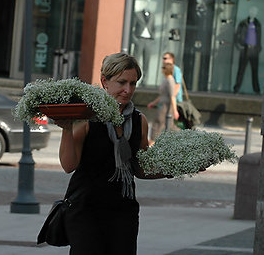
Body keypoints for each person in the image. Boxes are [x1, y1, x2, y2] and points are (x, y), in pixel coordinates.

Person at [55, 53, 169, 254]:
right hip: (86, 211)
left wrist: (174, 169)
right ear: (104, 82)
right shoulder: (86, 118)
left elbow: (139, 169)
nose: (128, 90)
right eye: (122, 82)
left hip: (123, 212)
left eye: (133, 83)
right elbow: (68, 166)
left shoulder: (138, 120)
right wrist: (67, 128)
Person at [147, 63, 179, 145]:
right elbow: (162, 95)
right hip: (162, 104)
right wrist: (153, 103)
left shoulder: (170, 81)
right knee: (166, 124)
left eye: (163, 68)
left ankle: (152, 141)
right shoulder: (166, 79)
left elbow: (172, 96)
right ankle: (153, 140)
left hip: (166, 106)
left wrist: (175, 111)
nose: (162, 70)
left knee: (159, 123)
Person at [233, 6, 262, 94]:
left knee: (254, 70)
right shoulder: (243, 23)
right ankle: (236, 88)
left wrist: (258, 48)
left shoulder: (257, 24)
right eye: (252, 11)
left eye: (255, 11)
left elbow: (259, 37)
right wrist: (239, 46)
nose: (253, 13)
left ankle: (256, 90)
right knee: (241, 70)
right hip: (245, 49)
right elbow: (237, 35)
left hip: (254, 50)